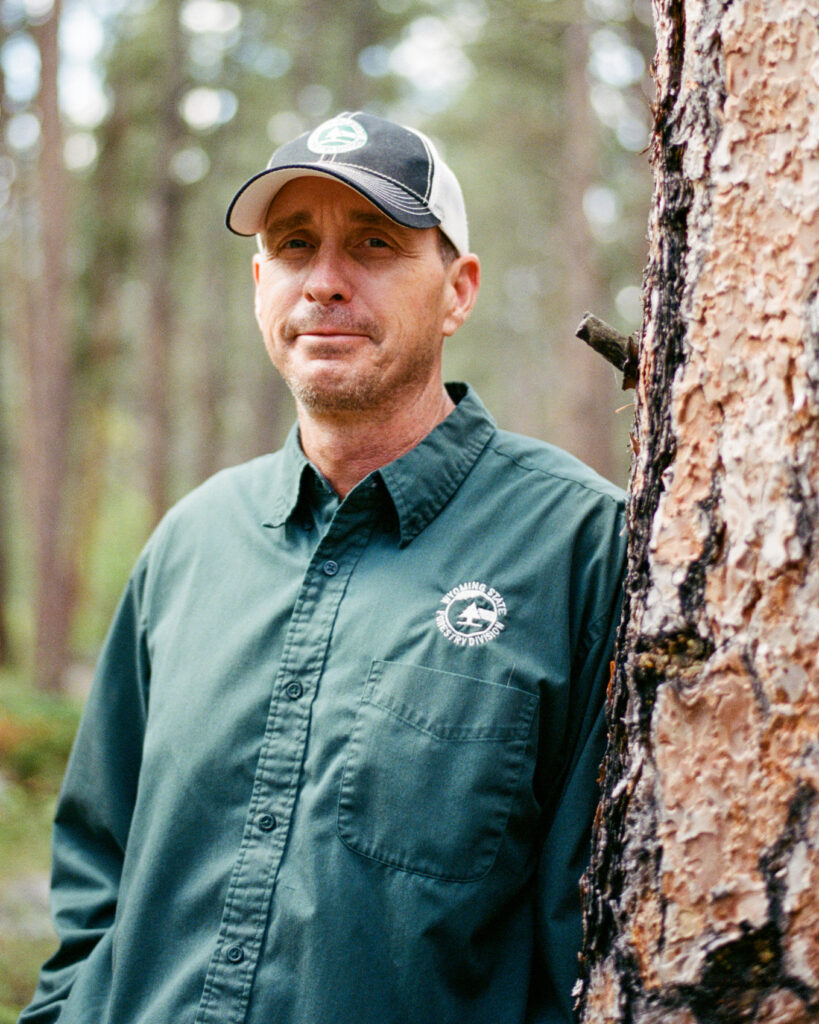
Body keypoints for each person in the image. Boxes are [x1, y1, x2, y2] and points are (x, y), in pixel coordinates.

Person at [21, 111, 627, 1024]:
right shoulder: (192, 545)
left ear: (457, 291)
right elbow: (95, 869)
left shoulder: (579, 547)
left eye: (374, 244)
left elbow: (588, 939)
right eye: (294, 245)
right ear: (260, 283)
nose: (326, 282)